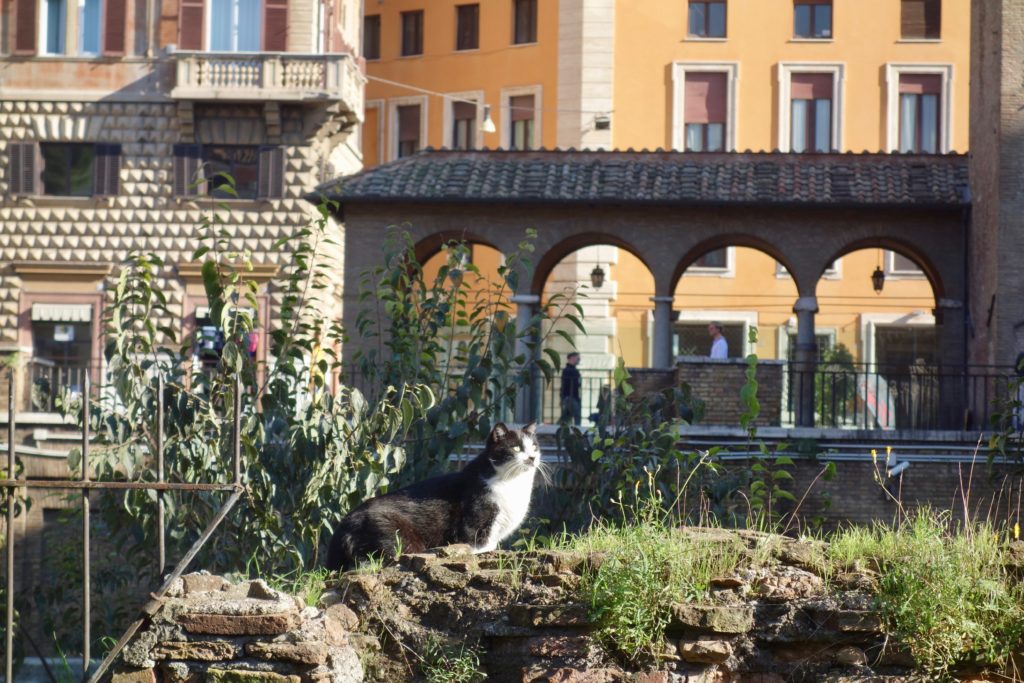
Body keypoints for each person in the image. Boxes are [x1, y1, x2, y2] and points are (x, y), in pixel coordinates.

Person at [560, 352, 582, 426]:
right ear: (572, 358)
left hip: (571, 397)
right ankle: (578, 431)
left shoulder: (573, 370)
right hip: (570, 397)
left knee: (567, 416)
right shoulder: (568, 370)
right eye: (577, 358)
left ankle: (561, 429)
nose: (579, 360)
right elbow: (565, 385)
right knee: (576, 415)